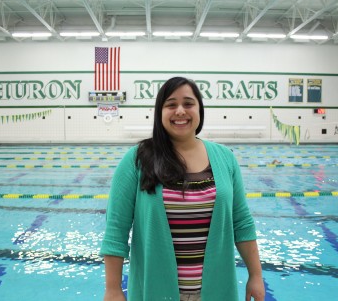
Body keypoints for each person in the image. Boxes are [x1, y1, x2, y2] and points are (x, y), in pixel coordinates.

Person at [100, 76, 265, 301]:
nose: (180, 111)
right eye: (171, 104)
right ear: (160, 112)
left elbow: (242, 222)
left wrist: (256, 275)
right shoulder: (137, 160)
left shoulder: (225, 158)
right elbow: (116, 230)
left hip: (215, 291)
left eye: (188, 103)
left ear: (199, 110)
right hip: (156, 291)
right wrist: (113, 289)